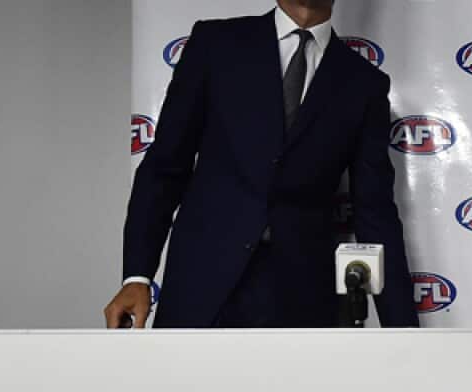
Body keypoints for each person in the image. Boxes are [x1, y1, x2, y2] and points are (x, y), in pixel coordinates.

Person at [104, 0, 418, 329]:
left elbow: (375, 212)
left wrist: (404, 331)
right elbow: (165, 167)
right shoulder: (216, 44)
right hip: (201, 284)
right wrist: (136, 276)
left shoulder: (364, 83)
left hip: (303, 299)